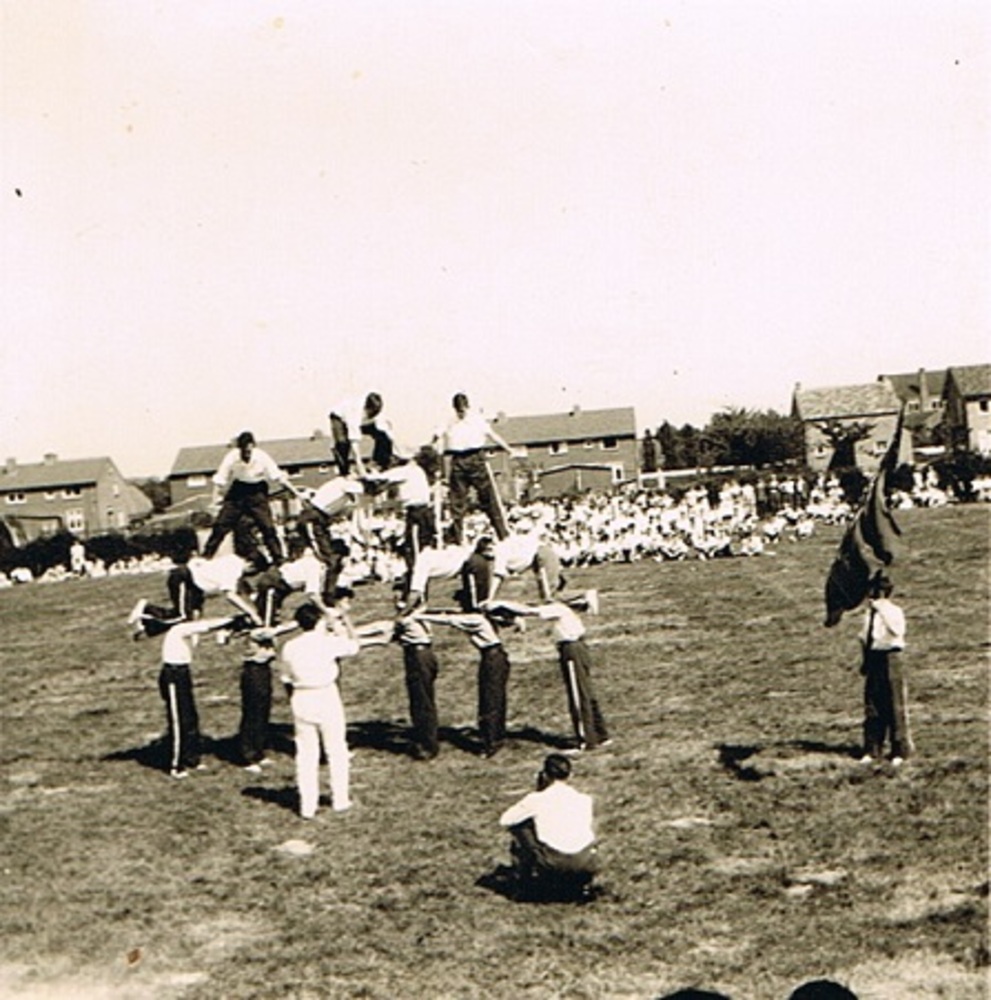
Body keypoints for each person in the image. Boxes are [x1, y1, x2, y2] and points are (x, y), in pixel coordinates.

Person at [279, 600, 388, 819]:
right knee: (336, 748)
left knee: (306, 753)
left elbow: (286, 678)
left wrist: (295, 699)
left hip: (301, 696)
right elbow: (354, 645)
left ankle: (307, 806)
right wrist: (345, 619)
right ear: (319, 621)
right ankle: (340, 799)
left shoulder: (289, 646)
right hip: (325, 694)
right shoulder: (326, 642)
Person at [129, 604, 252, 778]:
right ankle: (176, 765)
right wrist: (231, 619)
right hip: (173, 674)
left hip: (182, 673)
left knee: (189, 718)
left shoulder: (184, 630)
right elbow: (205, 626)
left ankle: (191, 758)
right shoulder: (179, 629)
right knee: (179, 720)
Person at [483, 597, 610, 752]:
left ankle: (586, 741)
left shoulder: (559, 609)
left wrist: (500, 603)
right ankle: (600, 734)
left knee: (578, 695)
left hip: (572, 650)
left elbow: (529, 610)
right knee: (586, 692)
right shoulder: (565, 611)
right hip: (578, 649)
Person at [411, 607, 511, 758]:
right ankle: (495, 738)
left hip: (492, 657)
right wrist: (431, 610)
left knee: (490, 699)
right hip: (493, 656)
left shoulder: (475, 620)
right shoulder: (479, 617)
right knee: (492, 698)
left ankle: (491, 743)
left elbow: (449, 619)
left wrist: (420, 616)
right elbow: (452, 612)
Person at [498, 753, 598, 899]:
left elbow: (506, 820)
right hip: (585, 862)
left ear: (545, 775)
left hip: (553, 863)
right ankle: (581, 884)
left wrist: (538, 791)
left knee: (520, 826)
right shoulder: (584, 799)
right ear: (570, 775)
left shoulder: (536, 799)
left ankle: (524, 884)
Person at [202, 431, 296, 565]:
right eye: (244, 452)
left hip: (257, 491)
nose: (246, 455)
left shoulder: (262, 456)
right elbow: (220, 480)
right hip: (238, 491)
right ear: (239, 448)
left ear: (253, 447)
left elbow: (278, 477)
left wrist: (296, 493)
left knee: (267, 526)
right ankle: (206, 556)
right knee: (221, 525)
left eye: (249, 452)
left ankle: (278, 558)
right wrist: (214, 501)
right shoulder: (232, 457)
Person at [434, 392, 515, 544]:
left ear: (467, 407)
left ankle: (503, 535)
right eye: (458, 411)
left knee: (489, 498)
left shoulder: (476, 419)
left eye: (463, 410)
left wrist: (508, 449)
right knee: (457, 503)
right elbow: (436, 436)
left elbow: (492, 435)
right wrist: (431, 450)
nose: (461, 414)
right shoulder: (449, 421)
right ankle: (458, 539)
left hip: (476, 459)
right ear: (454, 409)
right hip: (458, 459)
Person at [858, 572, 912, 765]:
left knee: (894, 703)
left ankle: (899, 750)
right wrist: (865, 660)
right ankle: (872, 748)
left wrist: (881, 609)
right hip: (874, 657)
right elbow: (864, 637)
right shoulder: (869, 614)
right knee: (873, 705)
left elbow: (897, 630)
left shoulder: (893, 611)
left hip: (891, 657)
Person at [393, 614, 441, 761]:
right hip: (419, 653)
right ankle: (425, 741)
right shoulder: (417, 616)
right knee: (420, 699)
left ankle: (427, 745)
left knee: (421, 701)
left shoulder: (409, 617)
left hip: (418, 655)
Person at [328, 392, 386, 478]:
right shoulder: (355, 413)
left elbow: (388, 434)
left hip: (361, 421)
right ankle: (344, 472)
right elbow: (354, 442)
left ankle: (377, 463)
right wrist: (360, 468)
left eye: (375, 414)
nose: (373, 416)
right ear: (366, 408)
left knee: (383, 436)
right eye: (371, 414)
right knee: (342, 443)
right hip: (339, 417)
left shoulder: (376, 413)